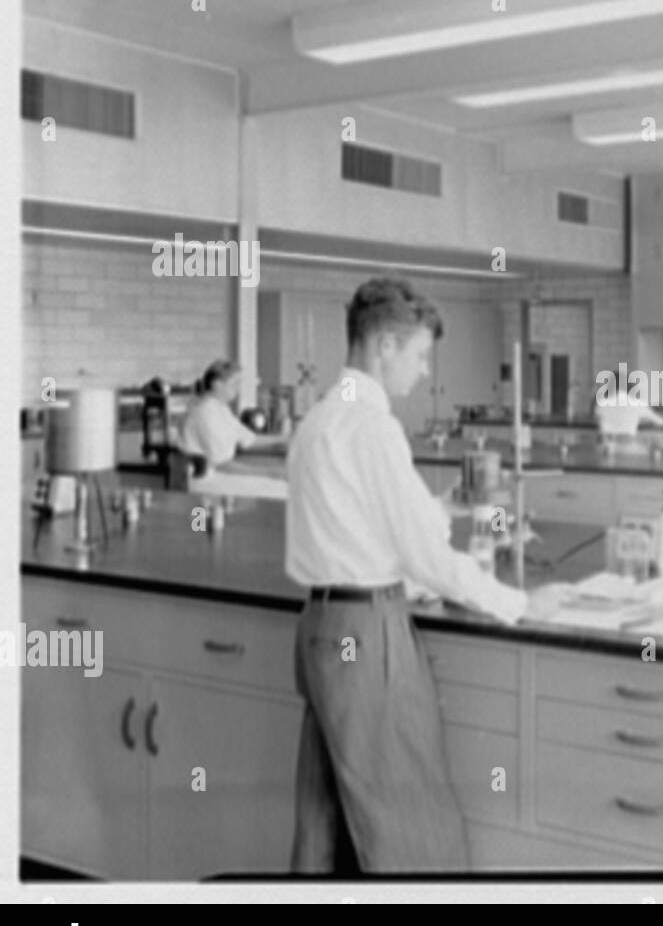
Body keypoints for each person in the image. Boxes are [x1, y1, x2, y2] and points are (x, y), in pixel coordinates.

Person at [285, 276, 529, 873]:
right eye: (419, 354)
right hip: (368, 635)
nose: (422, 371)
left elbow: (362, 526)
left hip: (320, 627)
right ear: (384, 346)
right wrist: (512, 603)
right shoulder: (373, 427)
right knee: (412, 832)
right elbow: (425, 558)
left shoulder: (317, 421)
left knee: (328, 827)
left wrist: (437, 515)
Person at [179, 360, 286, 498]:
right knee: (281, 489)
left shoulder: (220, 408)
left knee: (283, 485)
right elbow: (222, 464)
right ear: (217, 384)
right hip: (208, 480)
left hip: (221, 473)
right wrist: (272, 472)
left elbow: (249, 439)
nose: (237, 388)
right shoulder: (205, 413)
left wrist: (285, 438)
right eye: (234, 383)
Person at [594, 367, 663, 440]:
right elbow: (661, 422)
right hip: (629, 446)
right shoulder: (638, 404)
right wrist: (641, 419)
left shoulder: (602, 404)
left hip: (608, 447)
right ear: (630, 386)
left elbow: (598, 420)